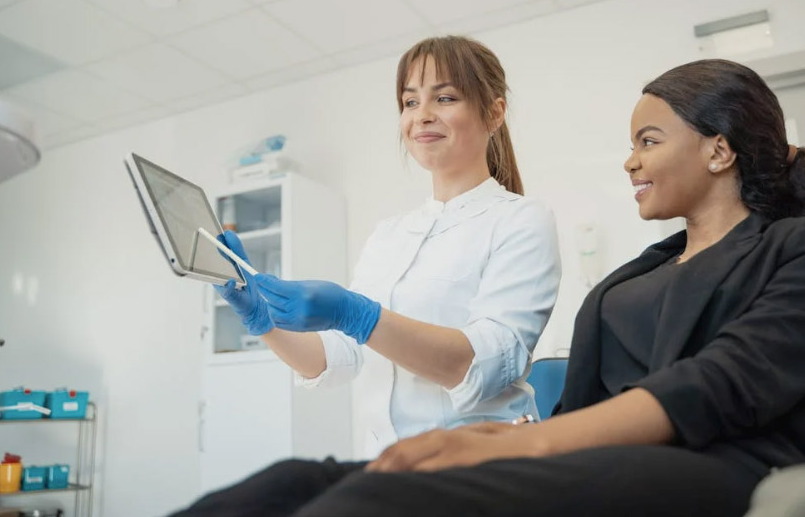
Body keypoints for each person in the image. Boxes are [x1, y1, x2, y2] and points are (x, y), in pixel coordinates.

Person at [172, 59, 805, 517]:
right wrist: (264, 319)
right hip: (611, 454)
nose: (629, 160)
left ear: (720, 148)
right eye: (409, 99)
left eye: (649, 141)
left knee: (365, 504)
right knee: (286, 484)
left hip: (728, 459)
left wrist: (523, 447)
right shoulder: (642, 272)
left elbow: (725, 382)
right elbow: (582, 398)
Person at [213, 36, 561, 458]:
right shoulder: (389, 235)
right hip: (388, 464)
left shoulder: (522, 220)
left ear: (494, 112)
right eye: (410, 102)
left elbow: (485, 366)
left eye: (445, 97)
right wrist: (263, 319)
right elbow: (338, 358)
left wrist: (359, 315)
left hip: (478, 466)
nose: (422, 116)